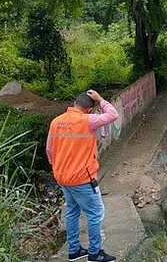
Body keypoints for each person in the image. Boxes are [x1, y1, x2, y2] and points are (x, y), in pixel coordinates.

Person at [46, 90, 119, 262]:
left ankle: (74, 250)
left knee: (72, 211)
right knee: (95, 213)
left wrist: (58, 169)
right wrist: (100, 99)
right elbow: (113, 114)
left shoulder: (56, 122)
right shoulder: (87, 120)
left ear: (74, 103)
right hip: (82, 178)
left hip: (62, 176)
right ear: (88, 109)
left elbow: (49, 150)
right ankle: (94, 253)